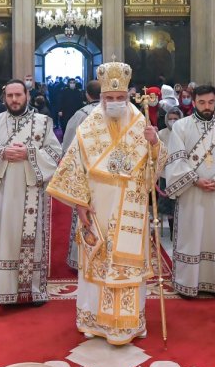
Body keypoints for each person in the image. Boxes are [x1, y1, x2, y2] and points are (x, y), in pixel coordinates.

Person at [47, 61, 161, 344]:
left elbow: (153, 169)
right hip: (98, 202)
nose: (114, 103)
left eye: (119, 98)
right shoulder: (88, 126)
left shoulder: (141, 121)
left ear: (127, 96)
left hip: (131, 203)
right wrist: (79, 203)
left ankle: (129, 322)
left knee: (127, 264)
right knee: (97, 260)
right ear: (100, 98)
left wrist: (155, 144)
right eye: (108, 98)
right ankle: (94, 320)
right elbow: (75, 166)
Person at [0, 80, 63, 305]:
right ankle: (4, 291)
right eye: (10, 95)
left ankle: (32, 291)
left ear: (27, 96)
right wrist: (1, 152)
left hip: (31, 191)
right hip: (3, 191)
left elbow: (54, 152)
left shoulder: (43, 123)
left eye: (18, 95)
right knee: (4, 238)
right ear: (4, 97)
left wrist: (30, 154)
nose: (14, 100)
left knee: (32, 241)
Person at [164, 85, 215, 299]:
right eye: (202, 102)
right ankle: (187, 283)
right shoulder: (181, 126)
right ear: (194, 102)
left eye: (211, 102)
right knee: (191, 235)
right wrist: (195, 180)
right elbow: (176, 158)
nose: (207, 107)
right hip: (191, 192)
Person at [61, 79, 101, 270]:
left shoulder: (81, 115)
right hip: (112, 176)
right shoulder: (123, 114)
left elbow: (69, 147)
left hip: (86, 173)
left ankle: (82, 259)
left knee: (85, 214)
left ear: (86, 94)